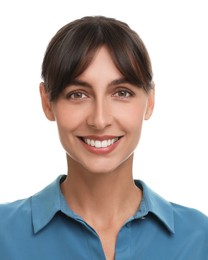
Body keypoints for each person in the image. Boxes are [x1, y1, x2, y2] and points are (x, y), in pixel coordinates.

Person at [0, 16, 208, 260]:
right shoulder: (4, 234)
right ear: (47, 102)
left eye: (122, 93)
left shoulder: (199, 237)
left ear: (150, 101)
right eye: (78, 94)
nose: (99, 120)